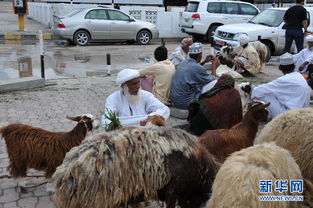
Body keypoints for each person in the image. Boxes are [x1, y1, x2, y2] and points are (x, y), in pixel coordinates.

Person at [101, 68, 170, 127]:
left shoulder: (146, 95)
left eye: (138, 82)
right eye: (134, 84)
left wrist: (149, 119)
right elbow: (106, 120)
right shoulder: (113, 98)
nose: (138, 86)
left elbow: (164, 109)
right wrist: (115, 125)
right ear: (124, 86)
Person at [252, 52, 310, 118]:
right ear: (294, 66)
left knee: (264, 93)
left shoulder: (283, 80)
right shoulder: (300, 76)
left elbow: (257, 91)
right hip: (303, 113)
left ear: (280, 68)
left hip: (289, 115)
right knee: (272, 91)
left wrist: (251, 97)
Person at [170, 42, 217, 109]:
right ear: (200, 55)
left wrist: (204, 61)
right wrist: (214, 66)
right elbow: (213, 79)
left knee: (199, 83)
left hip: (175, 100)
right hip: (185, 103)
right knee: (215, 83)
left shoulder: (184, 63)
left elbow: (194, 70)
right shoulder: (197, 68)